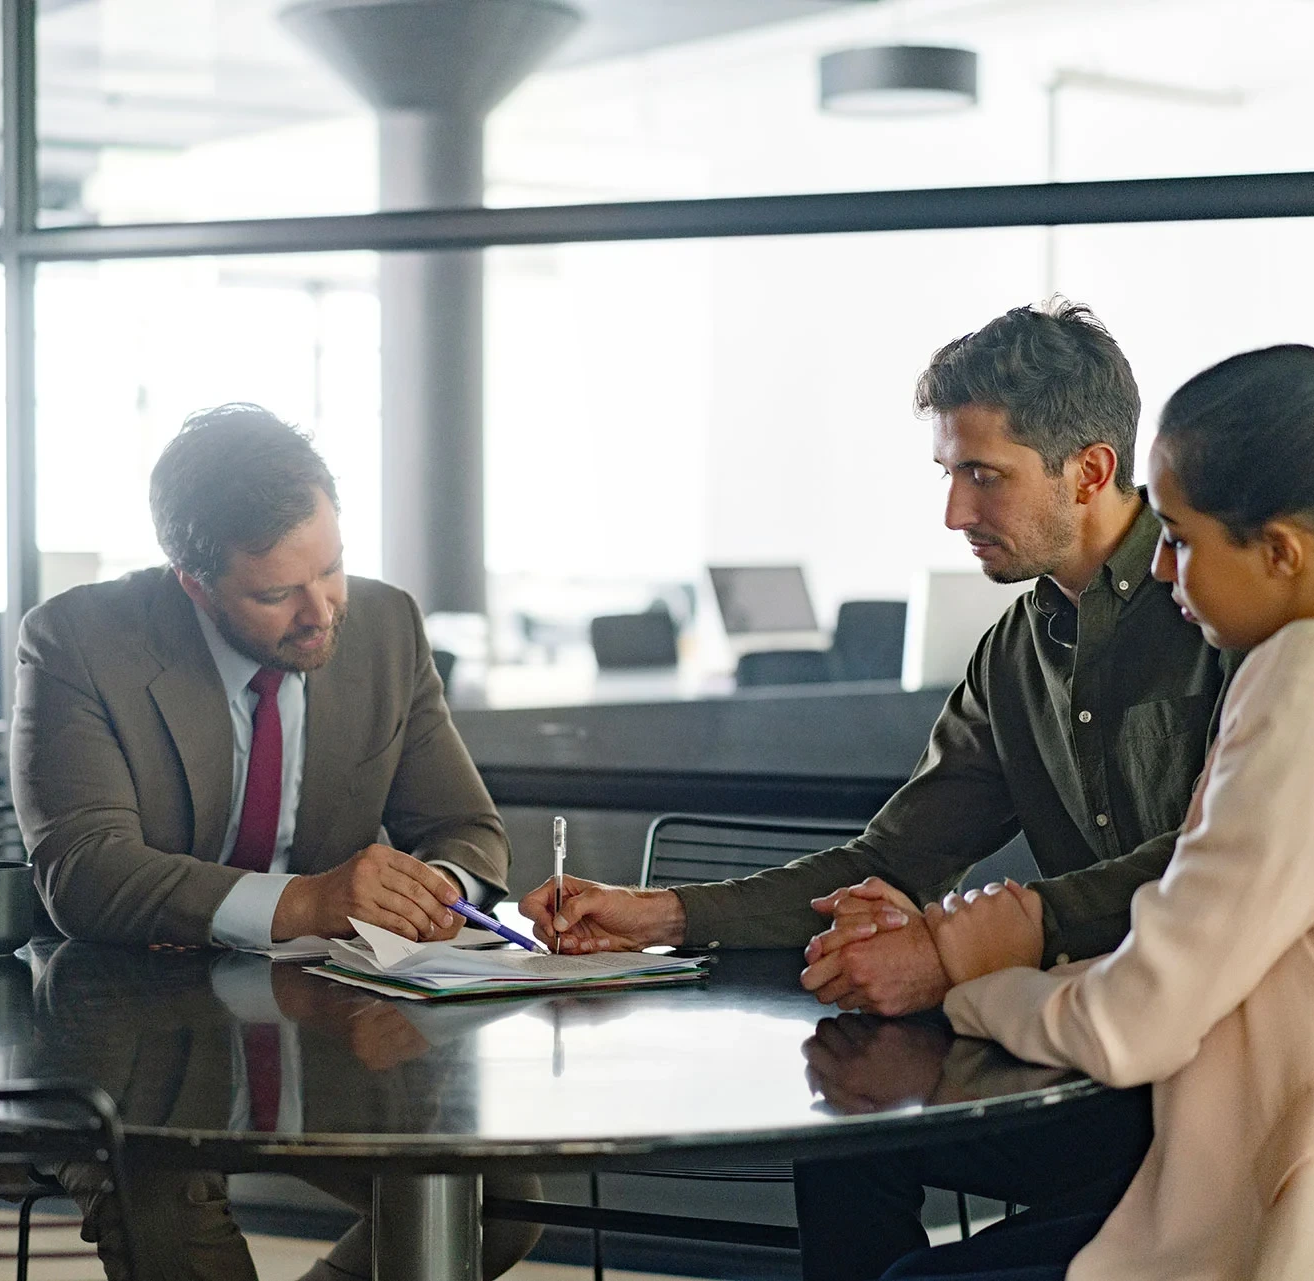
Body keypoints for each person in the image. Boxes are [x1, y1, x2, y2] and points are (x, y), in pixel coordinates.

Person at [517, 301, 1231, 1277]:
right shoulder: (1013, 656)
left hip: (1220, 1093)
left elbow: (1205, 867)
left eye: (985, 476)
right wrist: (660, 914)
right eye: (950, 475)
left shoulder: (1220, 616)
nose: (955, 513)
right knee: (845, 1128)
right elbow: (892, 859)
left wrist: (955, 944)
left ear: (1092, 472)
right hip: (1095, 1078)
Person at [889, 346, 1314, 1280]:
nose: (1167, 572)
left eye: (1179, 538)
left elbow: (1136, 1021)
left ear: (1281, 551)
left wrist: (977, 977)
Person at [11, 403, 540, 1281]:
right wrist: (307, 901)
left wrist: (429, 892)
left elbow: (466, 829)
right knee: (176, 1228)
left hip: (315, 1029)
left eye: (330, 568)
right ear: (193, 581)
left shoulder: (387, 627)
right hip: (118, 1042)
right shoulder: (80, 641)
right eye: (274, 593)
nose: (320, 609)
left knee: (499, 1197)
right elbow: (86, 870)